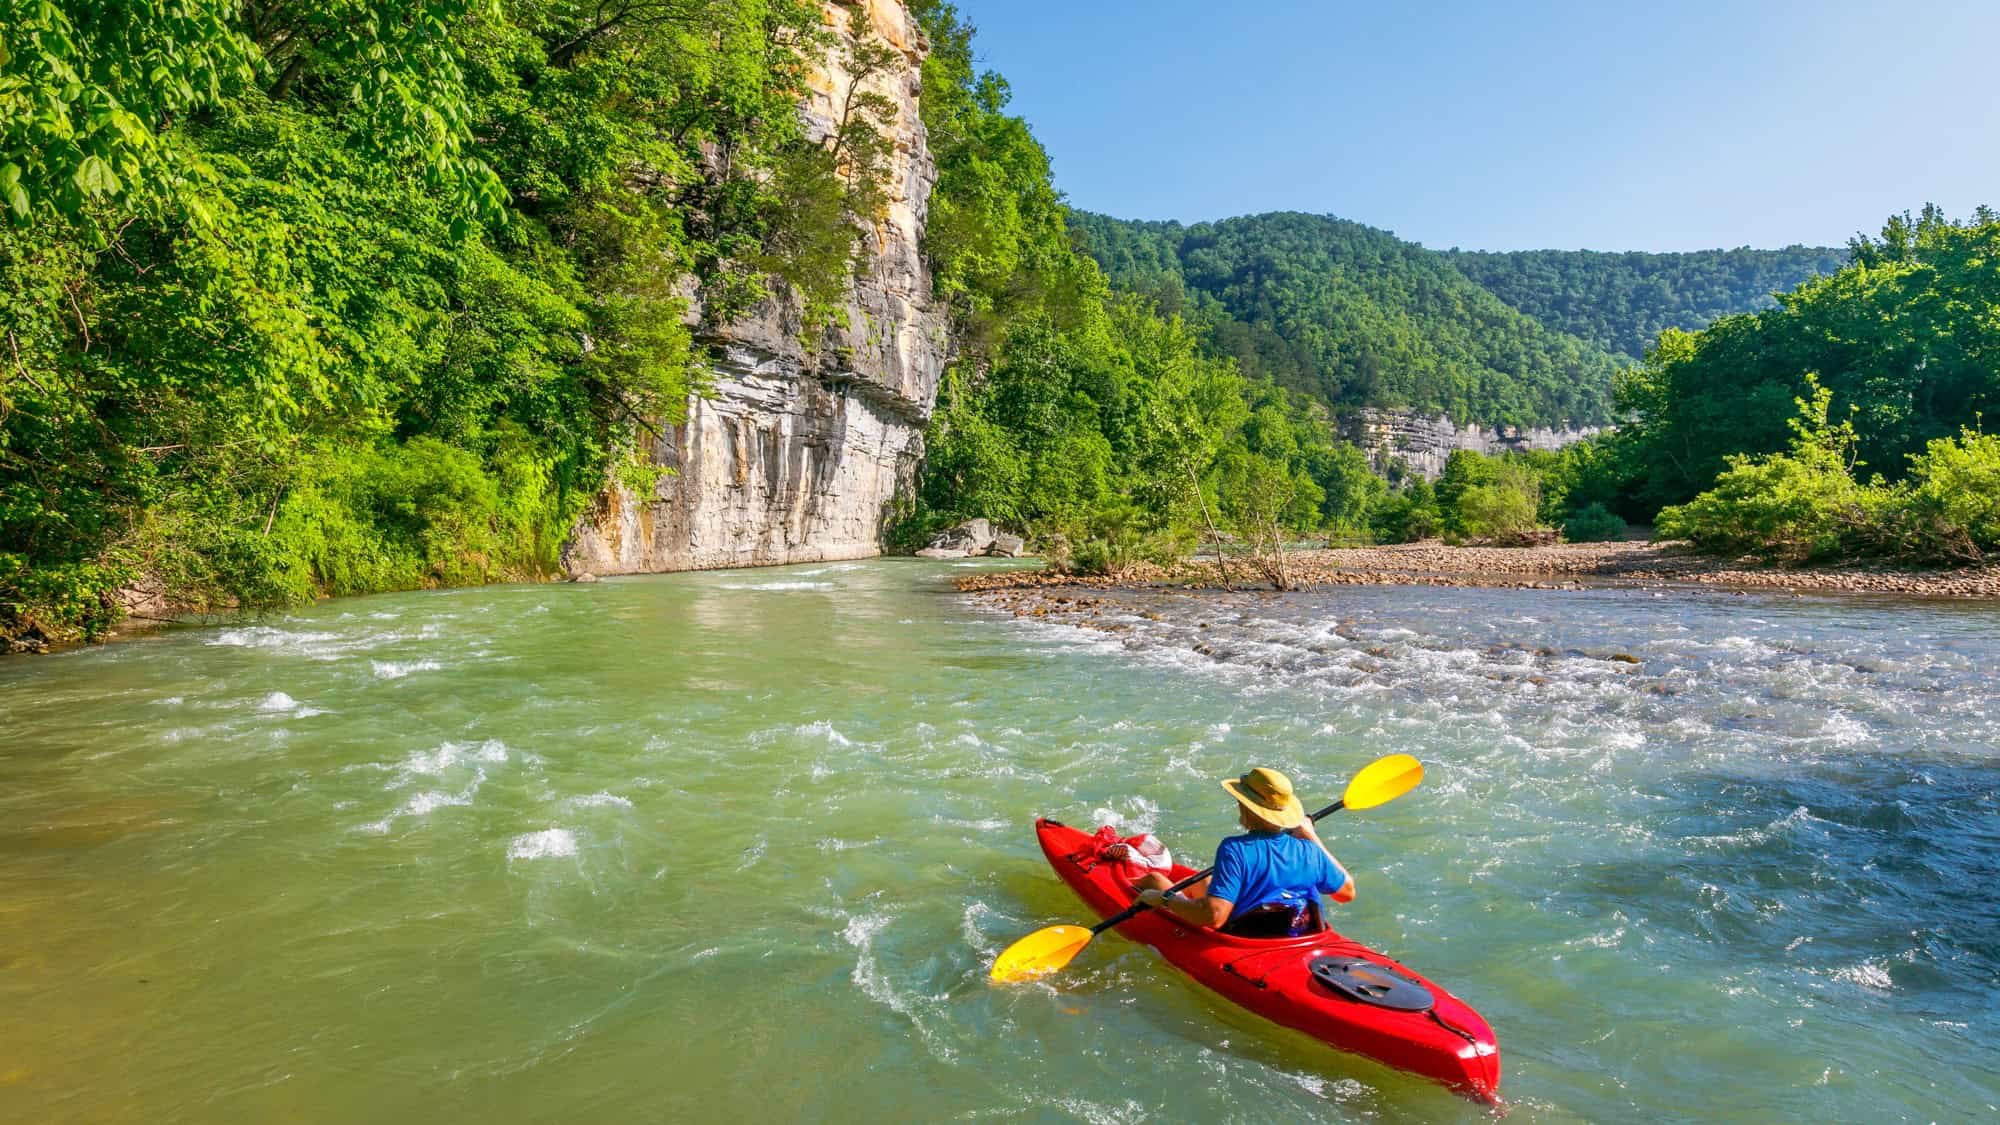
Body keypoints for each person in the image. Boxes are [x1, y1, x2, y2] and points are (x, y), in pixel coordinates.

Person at [1133, 766, 1354, 937]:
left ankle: (1136, 887)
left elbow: (1214, 917)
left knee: (1155, 880)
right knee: (1204, 880)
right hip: (1296, 933)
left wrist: (1163, 900)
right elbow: (1346, 893)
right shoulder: (1310, 851)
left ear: (1246, 805)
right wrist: (1310, 835)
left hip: (1244, 937)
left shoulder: (1235, 849)